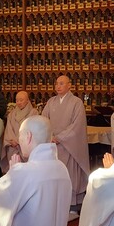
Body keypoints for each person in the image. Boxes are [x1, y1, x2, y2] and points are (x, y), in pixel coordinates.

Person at [42, 74, 90, 208]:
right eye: (57, 83)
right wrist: (49, 136)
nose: (58, 86)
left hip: (69, 146)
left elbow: (77, 126)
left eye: (62, 83)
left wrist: (60, 137)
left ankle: (72, 205)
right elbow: (43, 121)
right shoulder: (51, 102)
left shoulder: (76, 102)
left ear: (69, 85)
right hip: (53, 146)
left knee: (70, 175)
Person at [0, 90, 35, 172]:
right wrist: (12, 141)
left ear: (27, 100)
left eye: (21, 100)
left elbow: (31, 130)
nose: (19, 102)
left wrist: (18, 141)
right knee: (13, 171)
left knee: (25, 172)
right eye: (17, 100)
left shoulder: (33, 113)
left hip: (24, 147)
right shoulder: (12, 114)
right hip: (12, 146)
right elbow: (8, 129)